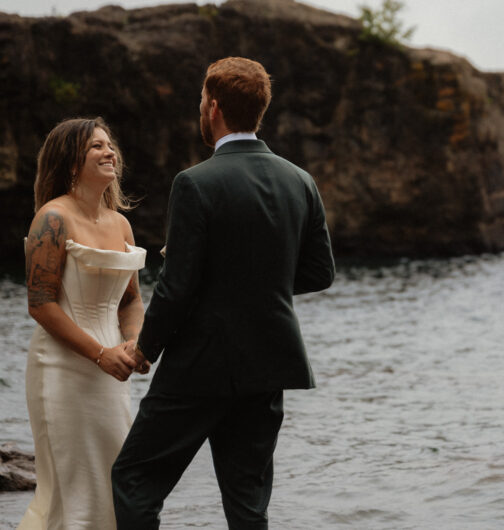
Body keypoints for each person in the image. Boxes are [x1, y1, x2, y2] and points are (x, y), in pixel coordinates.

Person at [111, 56, 335, 529]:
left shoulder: (194, 183)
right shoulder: (300, 180)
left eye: (199, 101)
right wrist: (256, 280)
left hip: (199, 366)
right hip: (269, 364)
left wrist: (145, 348)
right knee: (248, 503)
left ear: (213, 107)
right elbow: (320, 273)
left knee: (135, 479)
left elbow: (177, 288)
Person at [19, 117, 149, 530]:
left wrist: (135, 344)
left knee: (112, 478)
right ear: (72, 161)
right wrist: (99, 354)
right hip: (64, 369)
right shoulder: (52, 219)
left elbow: (130, 301)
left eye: (110, 145)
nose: (110, 152)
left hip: (114, 370)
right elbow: (40, 304)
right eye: (96, 146)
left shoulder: (120, 223)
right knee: (73, 487)